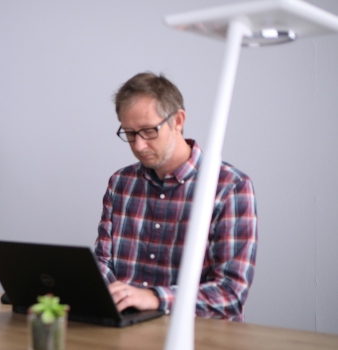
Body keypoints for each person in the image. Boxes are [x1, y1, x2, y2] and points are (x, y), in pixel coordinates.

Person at [95, 72, 258, 322]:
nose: (138, 146)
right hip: (125, 332)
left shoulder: (229, 187)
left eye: (148, 131)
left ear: (178, 121)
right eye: (129, 133)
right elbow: (104, 265)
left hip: (199, 337)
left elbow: (230, 294)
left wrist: (155, 298)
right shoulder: (121, 183)